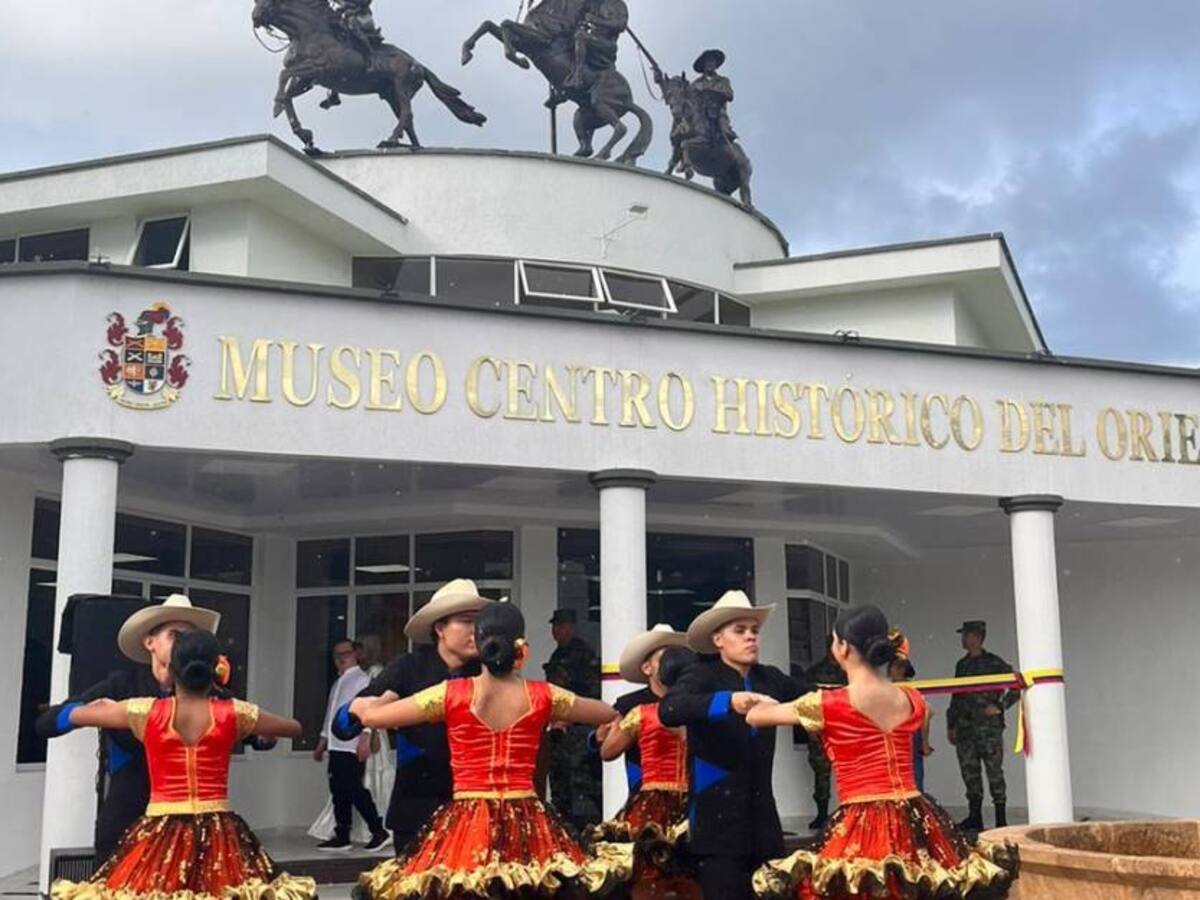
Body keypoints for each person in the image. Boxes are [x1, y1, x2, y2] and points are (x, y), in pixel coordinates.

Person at [350, 601, 631, 900]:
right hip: (529, 821)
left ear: (479, 643)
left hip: (468, 822)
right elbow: (607, 712)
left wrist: (362, 705)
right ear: (521, 646)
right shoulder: (544, 696)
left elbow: (371, 717)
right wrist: (608, 728)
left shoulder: (451, 694)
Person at [748, 605, 1018, 900]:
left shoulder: (828, 703)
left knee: (864, 886)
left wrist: (752, 698)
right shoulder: (911, 698)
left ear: (842, 648)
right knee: (919, 883)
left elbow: (757, 716)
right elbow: (925, 713)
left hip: (861, 821)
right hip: (916, 814)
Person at [50, 630, 316, 900]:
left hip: (160, 829)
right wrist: (255, 725)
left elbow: (76, 715)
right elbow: (294, 728)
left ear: (173, 669)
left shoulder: (144, 711)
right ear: (215, 669)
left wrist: (102, 705)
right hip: (219, 830)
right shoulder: (234, 712)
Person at [36, 595, 229, 864]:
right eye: (175, 635)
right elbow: (47, 724)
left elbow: (255, 735)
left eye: (189, 638)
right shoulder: (121, 686)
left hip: (186, 825)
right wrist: (86, 713)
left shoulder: (208, 692)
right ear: (149, 642)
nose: (183, 644)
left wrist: (261, 736)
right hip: (125, 818)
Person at [658, 590, 812, 900]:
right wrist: (730, 700)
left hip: (764, 824)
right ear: (718, 640)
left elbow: (816, 698)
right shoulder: (700, 673)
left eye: (754, 631)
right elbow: (669, 710)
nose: (750, 637)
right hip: (716, 828)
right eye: (739, 631)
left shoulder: (770, 678)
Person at [332, 579, 493, 853]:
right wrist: (360, 713)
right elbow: (344, 726)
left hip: (478, 806)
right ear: (440, 628)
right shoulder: (409, 667)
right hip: (417, 804)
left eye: (479, 623)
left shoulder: (489, 672)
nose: (476, 631)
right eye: (466, 621)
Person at [594, 634, 699, 900]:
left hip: (651, 802)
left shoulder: (641, 712)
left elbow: (608, 751)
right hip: (691, 799)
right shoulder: (699, 707)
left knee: (649, 868)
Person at [312, 639, 389, 851]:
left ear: (355, 654)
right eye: (337, 654)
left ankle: (377, 830)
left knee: (354, 788)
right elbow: (331, 716)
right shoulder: (338, 683)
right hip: (336, 745)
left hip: (351, 744)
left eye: (345, 653)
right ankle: (342, 834)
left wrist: (364, 738)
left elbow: (369, 711)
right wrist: (322, 743)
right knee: (338, 790)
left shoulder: (362, 681)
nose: (341, 658)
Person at [947, 621, 1019, 831]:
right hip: (965, 728)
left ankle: (1000, 818)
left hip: (988, 729)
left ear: (977, 637)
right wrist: (951, 724)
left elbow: (1016, 685)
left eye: (966, 635)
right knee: (970, 772)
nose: (963, 639)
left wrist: (1000, 706)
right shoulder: (962, 665)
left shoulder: (994, 663)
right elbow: (956, 695)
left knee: (994, 771)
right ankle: (975, 816)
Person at [544, 608, 602, 831]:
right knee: (560, 787)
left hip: (578, 731)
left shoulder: (582, 655)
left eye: (561, 625)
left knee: (581, 787)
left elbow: (587, 695)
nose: (556, 630)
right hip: (560, 731)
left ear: (572, 627)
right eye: (555, 626)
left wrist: (570, 719)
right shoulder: (558, 655)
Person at [803, 637, 847, 831]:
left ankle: (849, 814)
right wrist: (810, 728)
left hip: (845, 730)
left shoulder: (849, 672)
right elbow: (806, 702)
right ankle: (822, 814)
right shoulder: (814, 673)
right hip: (821, 729)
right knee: (821, 774)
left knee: (848, 773)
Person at [886, 629, 932, 794]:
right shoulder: (888, 688)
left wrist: (925, 742)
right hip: (895, 736)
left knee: (913, 779)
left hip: (908, 735)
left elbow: (926, 712)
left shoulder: (909, 688)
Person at [566, 0, 629, 88]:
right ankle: (556, 90)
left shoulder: (619, 5)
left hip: (607, 43)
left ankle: (578, 77)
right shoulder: (596, 3)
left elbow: (621, 25)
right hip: (592, 38)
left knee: (581, 36)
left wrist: (596, 20)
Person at [690, 49, 738, 146]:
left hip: (718, 112)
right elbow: (687, 97)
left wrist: (711, 91)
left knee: (724, 130)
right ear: (703, 65)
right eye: (707, 62)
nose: (710, 64)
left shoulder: (723, 80)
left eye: (712, 62)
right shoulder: (695, 83)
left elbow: (730, 95)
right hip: (699, 113)